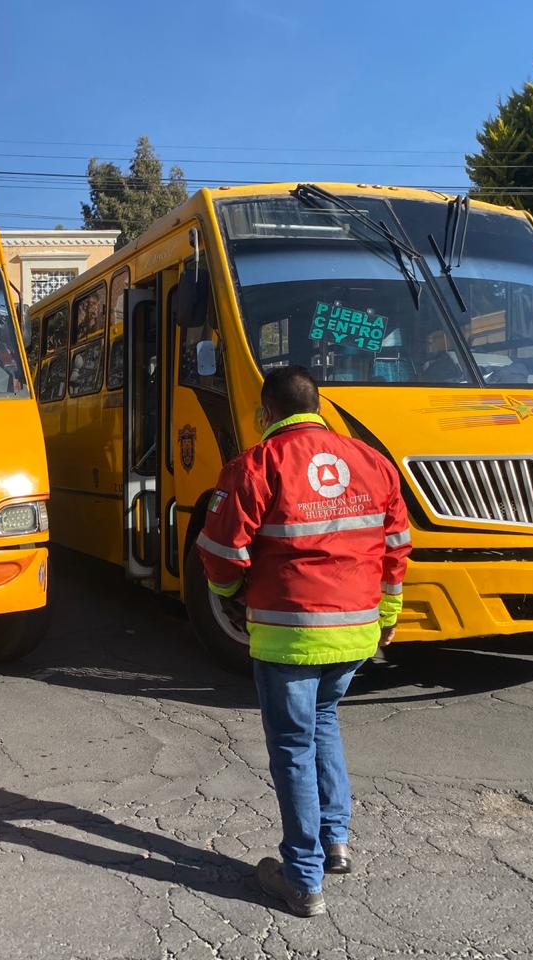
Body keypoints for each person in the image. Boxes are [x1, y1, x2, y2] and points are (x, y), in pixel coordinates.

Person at [196, 365, 411, 918]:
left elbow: (221, 556)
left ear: (266, 413)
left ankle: (302, 877)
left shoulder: (255, 465)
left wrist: (232, 593)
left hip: (290, 636)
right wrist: (388, 613)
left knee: (292, 747)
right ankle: (335, 842)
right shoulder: (373, 462)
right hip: (358, 632)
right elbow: (396, 547)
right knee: (324, 723)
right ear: (318, 405)